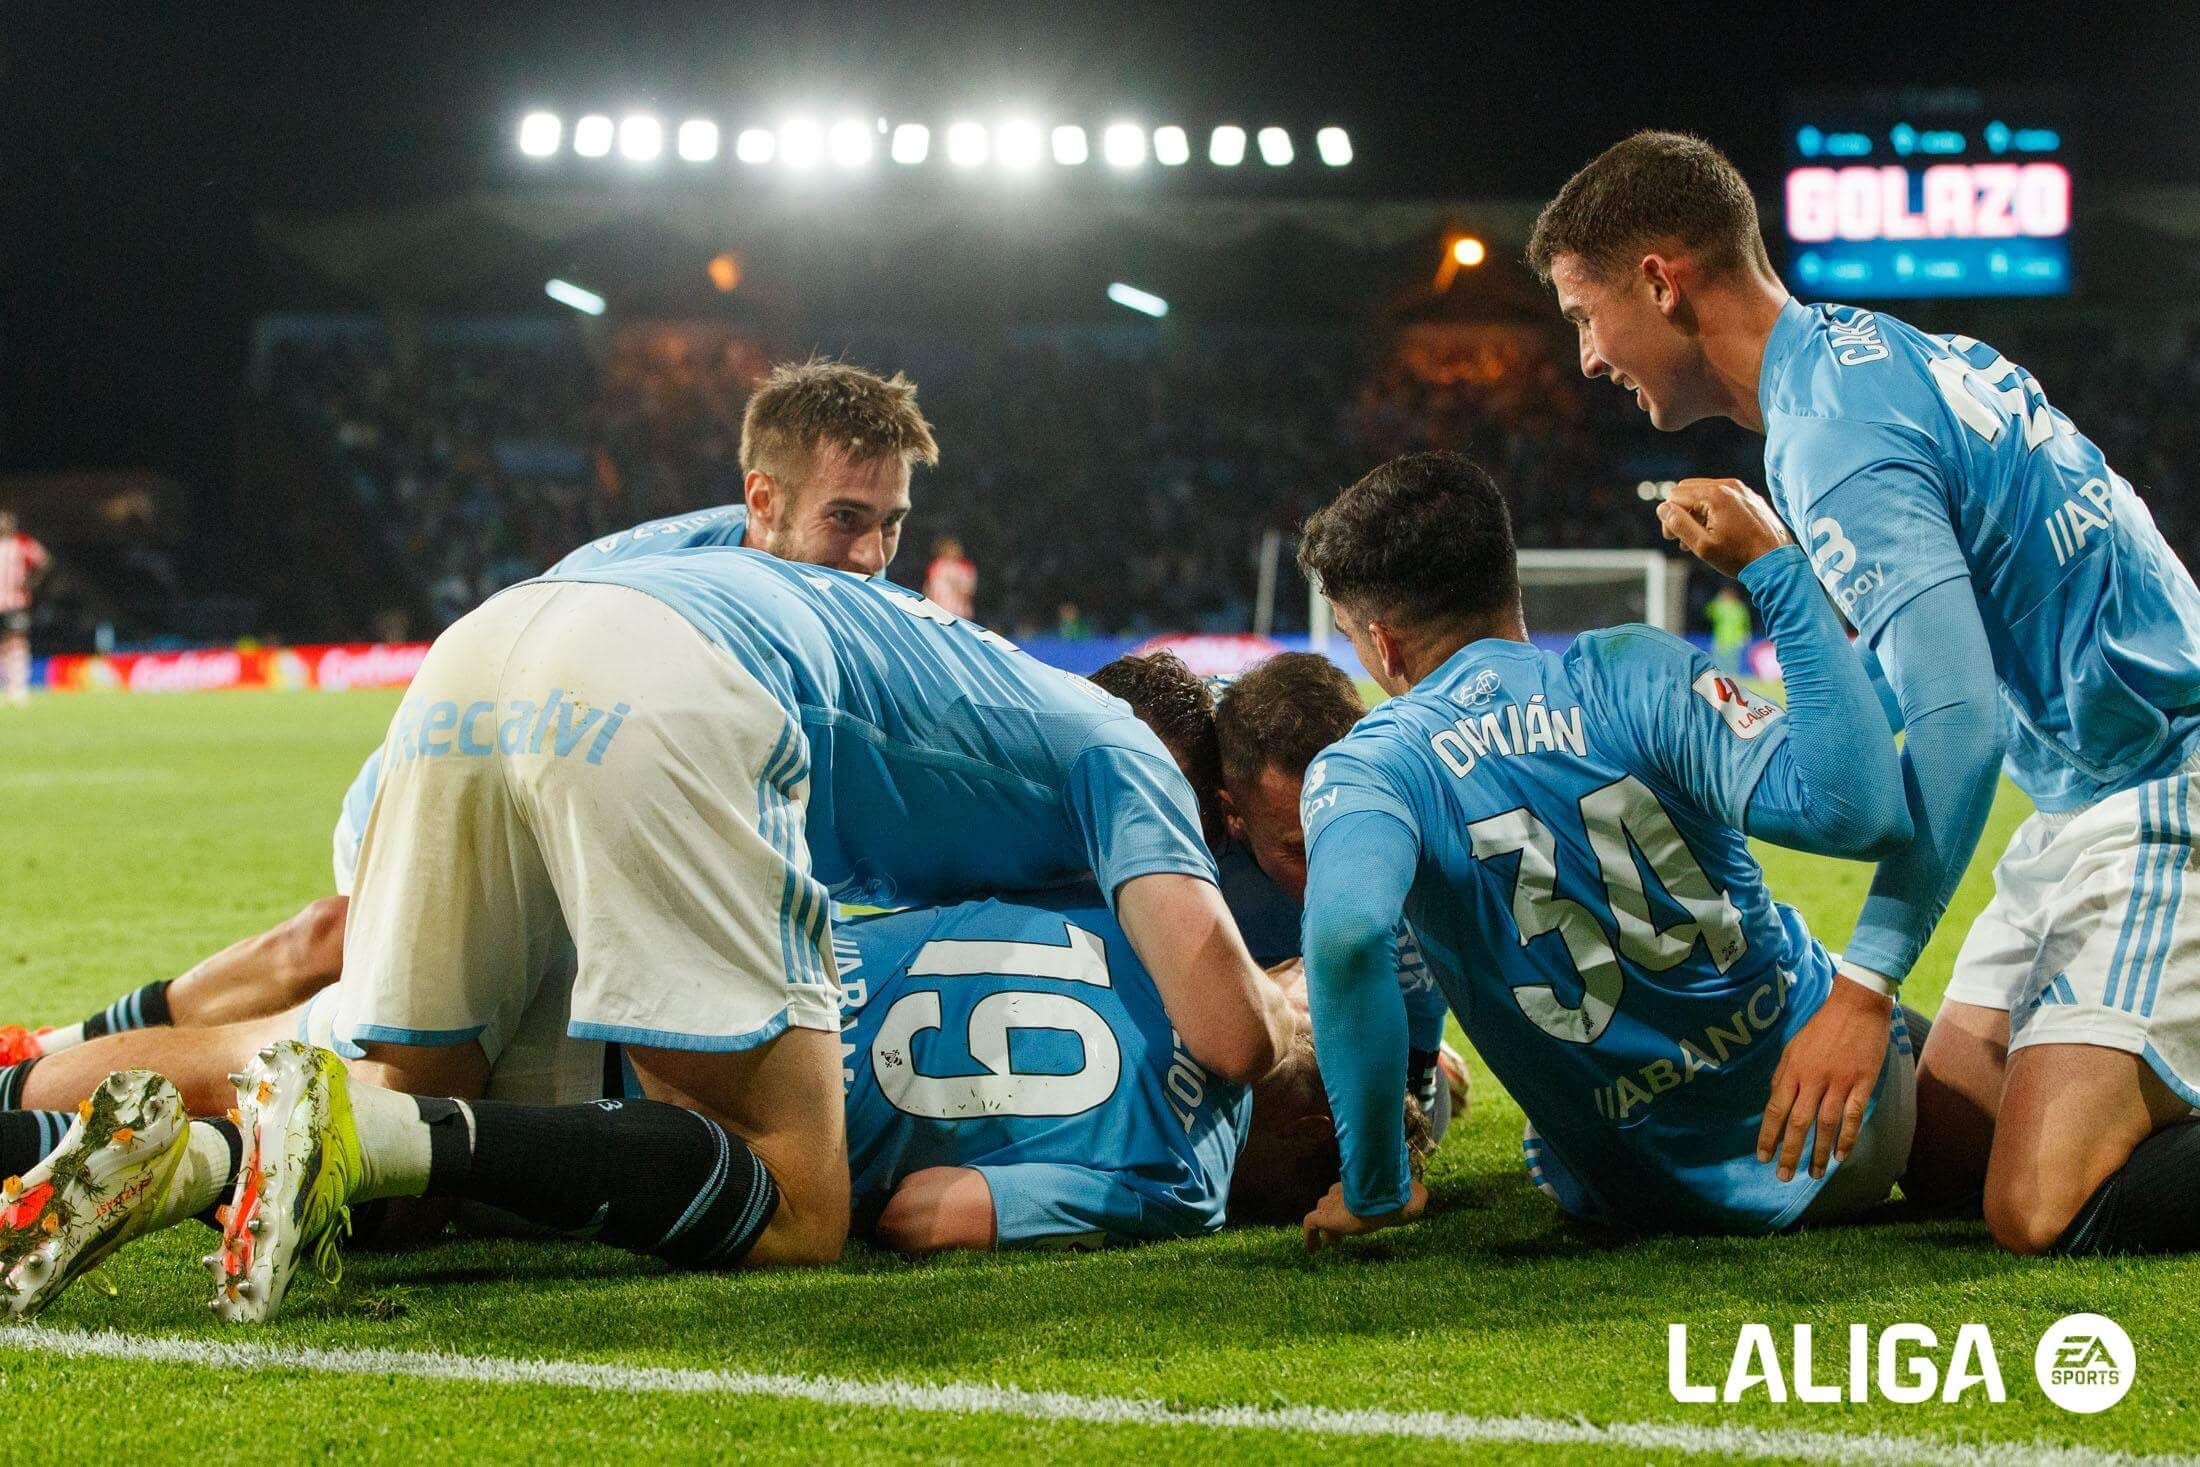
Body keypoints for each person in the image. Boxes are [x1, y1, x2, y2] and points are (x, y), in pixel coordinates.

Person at [1530, 130, 2200, 1258]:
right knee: (1943, 1149)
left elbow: (1956, 722)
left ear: (1659, 279)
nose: (1588, 357)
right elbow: (1923, 689)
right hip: (2080, 792)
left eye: (1583, 315)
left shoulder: (1830, 440)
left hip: (2163, 788)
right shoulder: (1868, 357)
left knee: (2036, 1206)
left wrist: (1863, 986)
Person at [0, 359, 928, 1068]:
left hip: (552, 798)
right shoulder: (655, 591)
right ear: (762, 502)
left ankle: (51, 1059)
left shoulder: (796, 597)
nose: (873, 554)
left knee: (345, 955)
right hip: (483, 774)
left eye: (891, 523)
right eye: (846, 519)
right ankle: (52, 1069)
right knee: (373, 1033)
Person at [0, 884, 1349, 1318]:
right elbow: (938, 1213)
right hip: (721, 1097)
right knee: (332, 1098)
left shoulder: (1146, 927)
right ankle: (46, 1113)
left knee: (313, 1039)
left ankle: (63, 1101)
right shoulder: (1175, 1170)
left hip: (689, 957)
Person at [1292, 452, 1918, 1250]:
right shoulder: (1633, 671)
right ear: (1507, 579)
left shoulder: (1374, 764)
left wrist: (1374, 1184)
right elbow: (1854, 809)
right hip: (1854, 1120)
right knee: (1956, 1048)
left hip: (1642, 1191)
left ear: (1381, 642)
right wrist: (1780, 572)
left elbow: (1347, 937)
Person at [0, 511, 50, 709]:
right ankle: (8, 687)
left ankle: (18, 689)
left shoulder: (21, 544)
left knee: (17, 644)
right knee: (4, 647)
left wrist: (31, 584)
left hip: (15, 603)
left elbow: (44, 561)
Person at [924, 536, 977, 620]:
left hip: (958, 611)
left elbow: (968, 591)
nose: (952, 551)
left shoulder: (965, 567)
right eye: (950, 548)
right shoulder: (937, 565)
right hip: (938, 608)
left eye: (954, 548)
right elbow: (929, 586)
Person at [1705, 586, 1751, 677]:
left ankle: (1731, 678)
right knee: (1718, 662)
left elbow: (1746, 624)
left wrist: (1746, 636)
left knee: (1732, 663)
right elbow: (1708, 613)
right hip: (1720, 639)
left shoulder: (1739, 608)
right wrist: (1716, 601)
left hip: (1735, 640)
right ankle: (1720, 678)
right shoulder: (1720, 607)